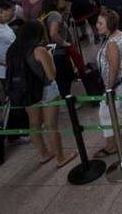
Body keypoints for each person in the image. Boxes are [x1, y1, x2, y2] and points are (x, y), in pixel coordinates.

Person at [6, 21, 76, 168]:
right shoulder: (39, 50)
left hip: (26, 91)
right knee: (51, 125)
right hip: (46, 90)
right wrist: (49, 56)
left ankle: (43, 154)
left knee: (34, 124)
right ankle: (61, 157)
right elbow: (51, 75)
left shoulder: (12, 50)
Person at [93, 9, 122, 157]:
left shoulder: (111, 43)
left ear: (109, 25)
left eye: (101, 23)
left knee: (106, 112)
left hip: (116, 82)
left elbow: (113, 67)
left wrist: (108, 88)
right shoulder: (120, 34)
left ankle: (111, 145)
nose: (97, 25)